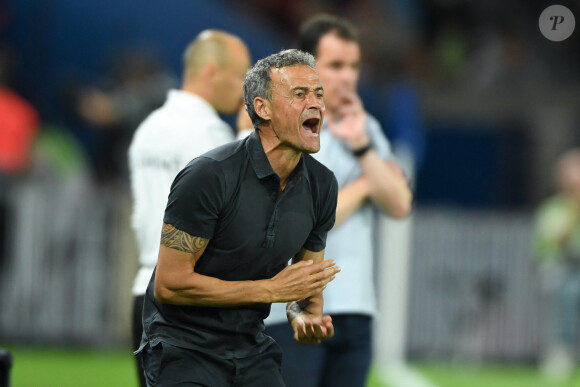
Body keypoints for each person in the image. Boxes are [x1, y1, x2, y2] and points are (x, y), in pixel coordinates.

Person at [135, 48, 342, 386]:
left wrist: (303, 316)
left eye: (318, 93)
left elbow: (302, 291)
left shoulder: (322, 185)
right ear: (263, 108)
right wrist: (269, 290)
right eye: (300, 94)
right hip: (184, 347)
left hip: (251, 347)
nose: (316, 103)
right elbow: (170, 284)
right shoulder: (210, 175)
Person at [264, 14, 413, 387]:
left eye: (354, 66)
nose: (348, 76)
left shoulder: (366, 128)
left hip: (356, 306)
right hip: (294, 307)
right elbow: (302, 218)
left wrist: (362, 146)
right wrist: (365, 187)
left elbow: (399, 205)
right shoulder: (282, 130)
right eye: (335, 65)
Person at [127, 30, 251, 387]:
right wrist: (246, 138)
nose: (245, 89)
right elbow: (237, 218)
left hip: (145, 291)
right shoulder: (211, 137)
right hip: (190, 300)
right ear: (211, 72)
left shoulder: (150, 128)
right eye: (240, 75)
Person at [534, 148, 580, 381]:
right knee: (568, 290)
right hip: (560, 267)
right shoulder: (553, 208)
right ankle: (562, 350)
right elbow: (558, 240)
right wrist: (574, 209)